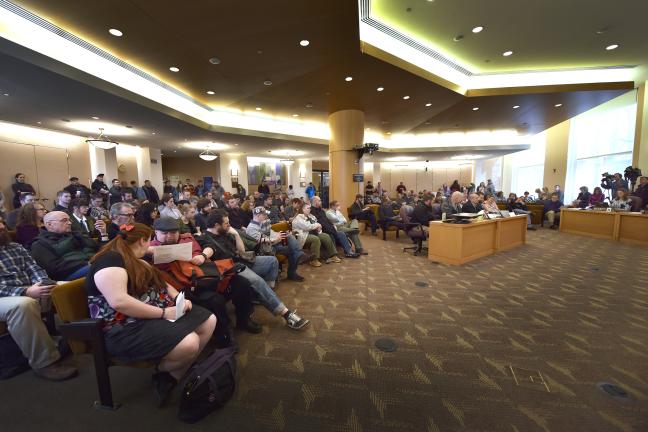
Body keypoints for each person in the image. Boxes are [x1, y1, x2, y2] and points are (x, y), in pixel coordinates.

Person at [86, 222, 216, 405]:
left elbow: (163, 284)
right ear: (141, 241)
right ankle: (167, 370)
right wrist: (163, 313)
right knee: (190, 343)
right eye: (149, 241)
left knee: (209, 320)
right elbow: (119, 302)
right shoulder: (110, 260)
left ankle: (171, 377)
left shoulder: (134, 260)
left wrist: (178, 298)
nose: (150, 246)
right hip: (124, 328)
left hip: (149, 315)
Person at [149, 217, 260, 348]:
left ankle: (244, 319)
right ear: (156, 232)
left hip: (206, 274)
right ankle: (224, 336)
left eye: (173, 232)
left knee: (241, 283)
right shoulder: (150, 248)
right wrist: (154, 251)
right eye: (164, 233)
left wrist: (203, 255)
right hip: (186, 285)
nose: (169, 236)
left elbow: (210, 246)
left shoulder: (187, 238)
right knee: (214, 300)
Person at [197, 211, 308, 330]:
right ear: (216, 225)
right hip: (230, 269)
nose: (229, 225)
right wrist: (203, 255)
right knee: (257, 281)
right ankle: (286, 314)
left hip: (241, 260)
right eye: (226, 223)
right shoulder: (205, 238)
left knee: (272, 261)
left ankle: (263, 295)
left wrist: (236, 235)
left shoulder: (225, 232)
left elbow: (241, 251)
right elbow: (208, 251)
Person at [0, 217, 78, 381]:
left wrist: (43, 283)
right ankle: (45, 363)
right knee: (23, 305)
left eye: (1, 222)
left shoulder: (13, 247)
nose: (2, 226)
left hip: (27, 287)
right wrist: (26, 291)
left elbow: (34, 268)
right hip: (8, 295)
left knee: (67, 287)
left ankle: (81, 339)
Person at [30, 211, 103, 281]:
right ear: (49, 224)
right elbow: (54, 268)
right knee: (102, 266)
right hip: (69, 273)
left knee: (110, 259)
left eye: (69, 220)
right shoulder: (39, 244)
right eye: (64, 220)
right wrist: (87, 263)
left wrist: (103, 234)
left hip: (92, 264)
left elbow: (99, 248)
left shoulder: (76, 234)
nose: (70, 223)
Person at [245, 207, 305, 281]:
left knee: (289, 237)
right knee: (292, 250)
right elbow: (260, 242)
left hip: (270, 245)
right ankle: (297, 261)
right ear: (258, 216)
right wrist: (276, 239)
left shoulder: (261, 223)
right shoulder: (252, 228)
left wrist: (279, 234)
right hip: (264, 250)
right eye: (264, 215)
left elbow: (270, 233)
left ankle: (298, 254)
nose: (266, 216)